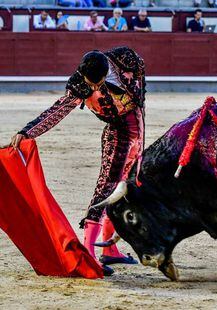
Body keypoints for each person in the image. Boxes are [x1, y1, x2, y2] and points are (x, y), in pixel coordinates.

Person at [10, 47, 146, 276]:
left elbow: (141, 87)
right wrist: (28, 132)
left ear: (105, 74)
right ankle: (90, 255)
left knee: (128, 187)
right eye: (89, 83)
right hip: (117, 132)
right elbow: (59, 109)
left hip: (137, 126)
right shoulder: (78, 84)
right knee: (107, 187)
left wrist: (141, 123)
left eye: (96, 83)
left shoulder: (127, 60)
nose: (92, 88)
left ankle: (110, 249)